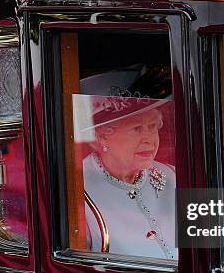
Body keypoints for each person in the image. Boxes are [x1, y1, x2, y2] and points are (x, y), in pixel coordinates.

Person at [76, 94, 177, 260]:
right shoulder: (77, 191)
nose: (149, 139)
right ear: (102, 136)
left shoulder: (173, 175)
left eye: (152, 126)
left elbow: (216, 241)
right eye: (136, 128)